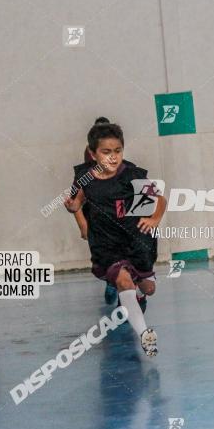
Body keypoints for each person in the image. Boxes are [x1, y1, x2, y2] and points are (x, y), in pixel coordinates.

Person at [64, 122, 165, 356]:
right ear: (93, 154)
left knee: (148, 288)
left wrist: (154, 219)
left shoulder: (132, 175)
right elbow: (78, 201)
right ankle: (145, 334)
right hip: (106, 244)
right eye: (106, 152)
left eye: (117, 151)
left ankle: (140, 293)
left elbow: (160, 199)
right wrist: (73, 207)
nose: (113, 157)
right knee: (122, 281)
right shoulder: (86, 178)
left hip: (136, 241)